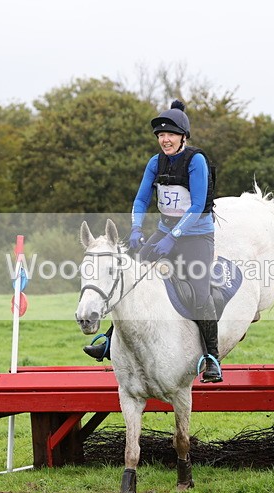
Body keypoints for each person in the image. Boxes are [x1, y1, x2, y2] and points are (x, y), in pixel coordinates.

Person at [83, 100, 222, 383]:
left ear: (183, 137)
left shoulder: (196, 161)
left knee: (199, 292)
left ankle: (212, 358)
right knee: (129, 278)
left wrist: (174, 237)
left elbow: (197, 206)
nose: (165, 139)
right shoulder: (155, 162)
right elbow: (140, 200)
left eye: (170, 134)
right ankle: (109, 341)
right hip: (164, 232)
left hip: (196, 236)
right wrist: (136, 228)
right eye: (161, 135)